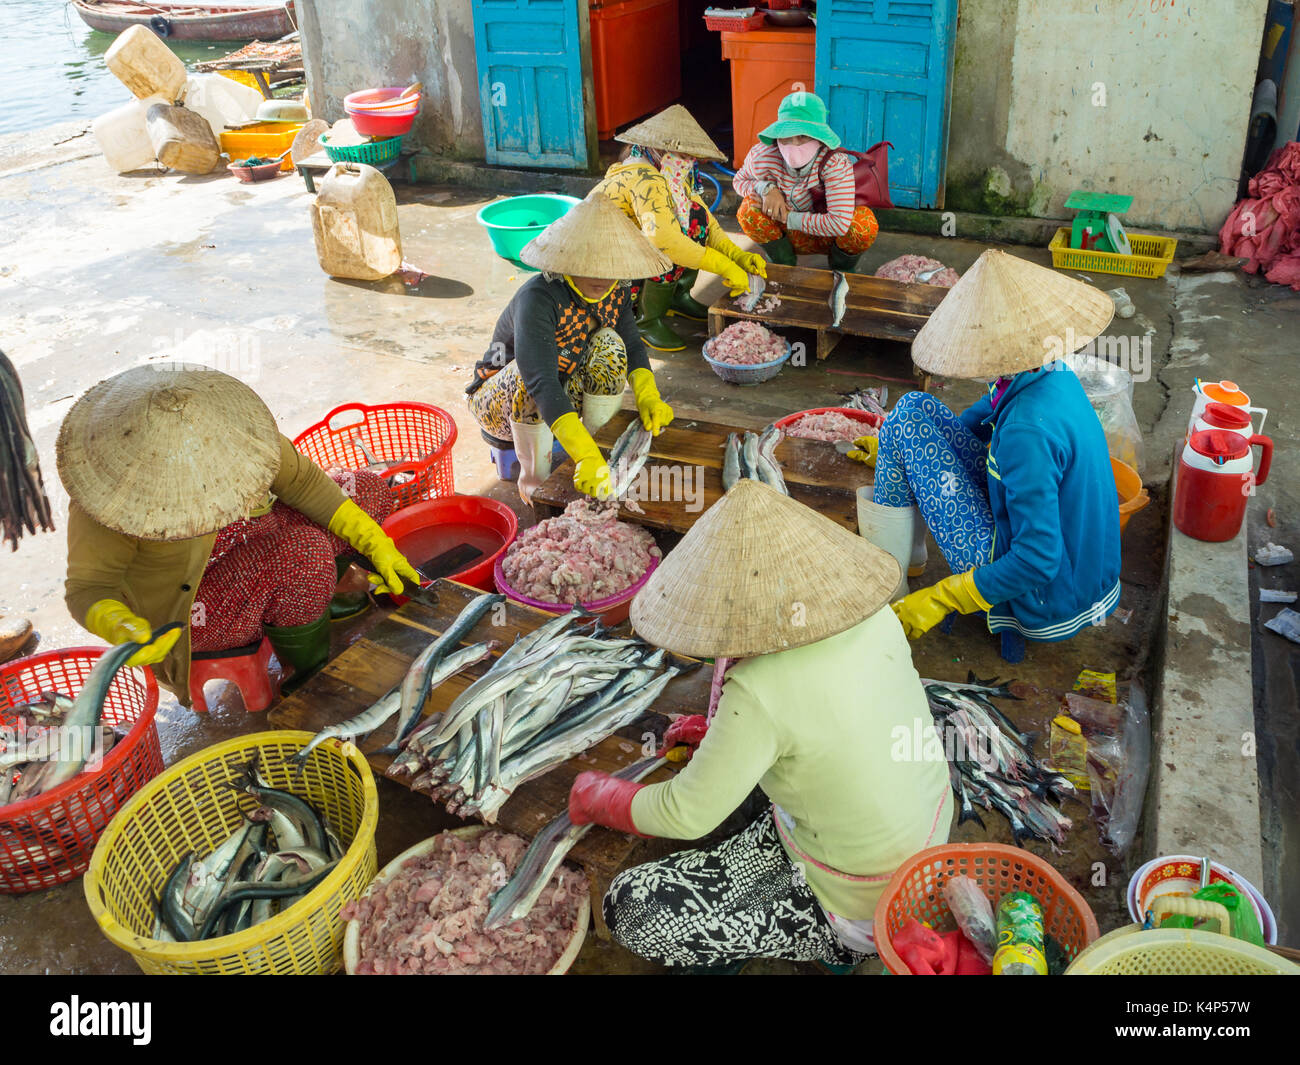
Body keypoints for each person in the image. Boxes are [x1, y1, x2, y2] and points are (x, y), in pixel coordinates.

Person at [566, 479, 952, 970]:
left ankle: (833, 943)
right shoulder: (873, 616)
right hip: (928, 838)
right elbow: (829, 720)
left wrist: (602, 797)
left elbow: (686, 814)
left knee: (631, 906)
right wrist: (720, 735)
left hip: (860, 897)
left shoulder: (760, 690)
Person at [58, 365, 420, 706]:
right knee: (302, 553)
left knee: (365, 489)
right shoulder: (108, 500)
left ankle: (325, 597)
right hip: (190, 608)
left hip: (247, 537)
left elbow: (307, 484)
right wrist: (119, 624)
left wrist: (376, 544)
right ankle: (305, 678)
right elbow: (88, 588)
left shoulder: (237, 433)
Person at [855, 249, 1122, 643]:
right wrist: (901, 450)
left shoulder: (1025, 432)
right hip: (1084, 574)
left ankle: (890, 587)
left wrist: (944, 596)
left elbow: (1038, 560)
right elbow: (974, 420)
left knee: (908, 427)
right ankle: (903, 564)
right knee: (910, 410)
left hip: (1050, 599)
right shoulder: (1047, 369)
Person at [466, 195, 676, 502]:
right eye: (589, 265)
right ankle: (537, 490)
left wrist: (648, 395)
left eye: (610, 268)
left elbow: (631, 344)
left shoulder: (616, 291)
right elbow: (540, 382)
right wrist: (584, 455)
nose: (602, 277)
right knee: (529, 378)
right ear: (567, 258)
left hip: (560, 390)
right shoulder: (539, 297)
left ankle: (602, 459)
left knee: (610, 345)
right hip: (500, 404)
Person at [595, 105, 767, 352]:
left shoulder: (667, 175)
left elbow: (706, 221)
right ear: (661, 149)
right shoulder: (643, 178)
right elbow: (666, 240)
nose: (689, 162)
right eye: (684, 155)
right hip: (609, 276)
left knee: (693, 220)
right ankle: (645, 320)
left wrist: (737, 256)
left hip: (631, 259)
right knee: (669, 243)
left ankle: (677, 296)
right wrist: (724, 266)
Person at [733, 90, 879, 273]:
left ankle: (841, 268)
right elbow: (739, 181)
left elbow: (839, 223)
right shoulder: (762, 154)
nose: (794, 143)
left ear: (819, 138)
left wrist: (789, 218)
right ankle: (782, 261)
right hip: (785, 233)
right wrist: (766, 188)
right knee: (748, 210)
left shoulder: (835, 163)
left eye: (803, 135)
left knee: (863, 224)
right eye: (786, 134)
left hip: (827, 234)